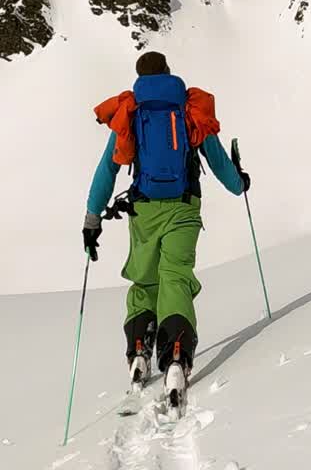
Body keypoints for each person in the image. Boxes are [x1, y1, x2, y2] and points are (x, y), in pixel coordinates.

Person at [81, 51, 249, 405]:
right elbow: (216, 157)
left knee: (146, 279)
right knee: (175, 276)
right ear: (169, 72)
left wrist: (92, 219)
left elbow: (108, 168)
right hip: (184, 207)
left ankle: (139, 349)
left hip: (143, 209)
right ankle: (176, 355)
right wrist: (239, 184)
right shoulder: (188, 107)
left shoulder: (131, 110)